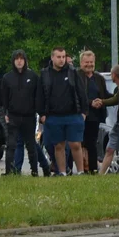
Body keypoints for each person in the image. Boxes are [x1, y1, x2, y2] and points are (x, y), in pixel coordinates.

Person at [38, 47, 88, 176]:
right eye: (59, 57)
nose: (62, 60)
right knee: (58, 146)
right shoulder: (45, 74)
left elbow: (81, 92)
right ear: (52, 58)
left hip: (73, 115)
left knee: (75, 144)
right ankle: (62, 172)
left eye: (63, 57)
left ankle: (81, 172)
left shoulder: (72, 72)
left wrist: (83, 112)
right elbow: (40, 95)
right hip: (53, 116)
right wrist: (42, 114)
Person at [0, 50, 48, 176]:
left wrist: (40, 113)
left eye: (22, 58)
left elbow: (38, 97)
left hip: (29, 116)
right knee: (11, 145)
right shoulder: (7, 78)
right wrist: (5, 113)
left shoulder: (33, 76)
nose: (19, 61)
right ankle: (9, 171)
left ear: (25, 60)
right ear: (13, 61)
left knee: (31, 145)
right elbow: (4, 98)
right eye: (17, 59)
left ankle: (34, 171)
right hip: (13, 116)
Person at [78, 51, 108, 174]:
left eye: (91, 62)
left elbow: (104, 95)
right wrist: (91, 103)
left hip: (95, 117)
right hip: (80, 115)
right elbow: (77, 96)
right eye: (87, 62)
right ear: (81, 63)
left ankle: (92, 169)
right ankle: (79, 169)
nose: (89, 65)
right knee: (79, 143)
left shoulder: (99, 78)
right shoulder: (76, 76)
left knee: (92, 143)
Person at [97, 65, 119, 175]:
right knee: (110, 149)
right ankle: (101, 174)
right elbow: (115, 100)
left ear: (113, 75)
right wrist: (103, 102)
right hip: (118, 124)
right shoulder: (117, 89)